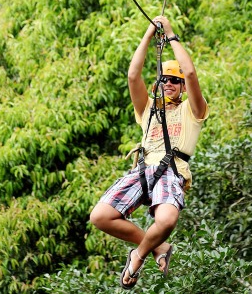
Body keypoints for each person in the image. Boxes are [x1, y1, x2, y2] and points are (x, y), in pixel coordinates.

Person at [89, 15, 209, 289]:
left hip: (171, 170)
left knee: (167, 219)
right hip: (143, 171)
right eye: (164, 79)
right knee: (100, 217)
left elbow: (190, 73)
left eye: (174, 81)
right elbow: (133, 75)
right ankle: (157, 247)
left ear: (181, 87)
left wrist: (170, 34)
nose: (169, 83)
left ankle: (139, 256)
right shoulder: (148, 110)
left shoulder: (192, 111)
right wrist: (148, 34)